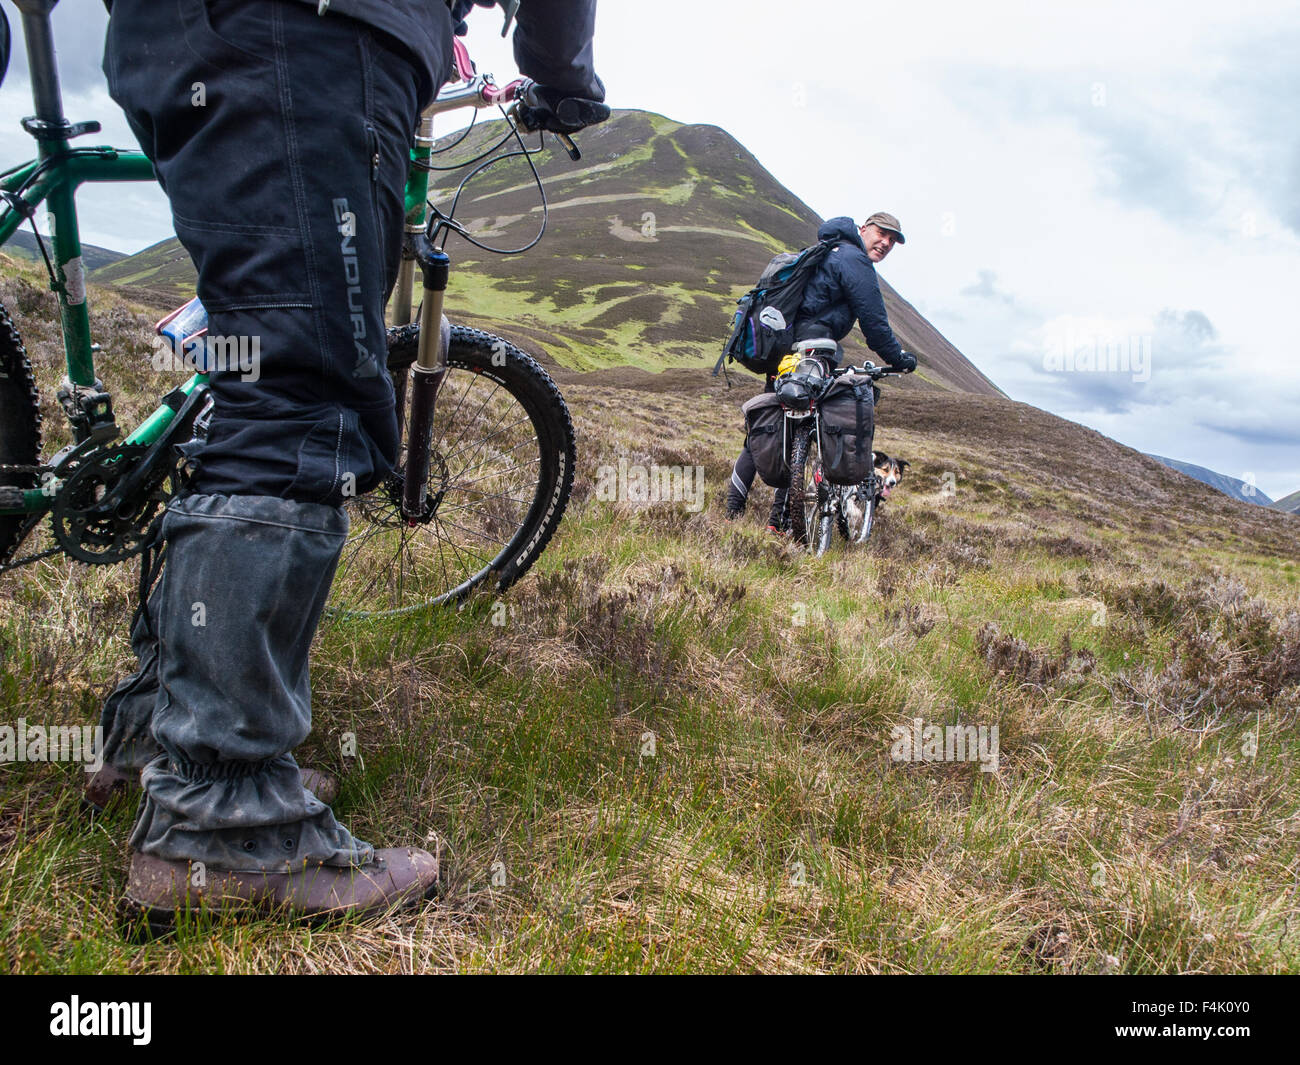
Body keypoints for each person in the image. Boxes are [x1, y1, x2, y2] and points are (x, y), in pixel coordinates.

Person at [93, 0, 607, 932]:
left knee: (245, 380)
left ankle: (150, 737)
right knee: (298, 395)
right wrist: (565, 79)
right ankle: (220, 817)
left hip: (177, 36)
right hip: (309, 36)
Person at [724, 212, 917, 529]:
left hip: (783, 351)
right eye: (881, 234)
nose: (885, 243)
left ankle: (733, 510)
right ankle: (778, 522)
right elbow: (875, 324)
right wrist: (899, 358)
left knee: (768, 426)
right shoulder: (854, 260)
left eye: (892, 241)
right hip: (812, 352)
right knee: (806, 428)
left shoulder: (829, 249)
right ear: (863, 229)